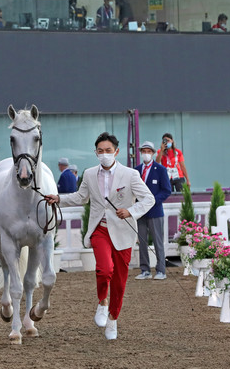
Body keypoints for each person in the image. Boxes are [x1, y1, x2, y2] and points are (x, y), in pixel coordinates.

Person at [46, 132, 154, 340]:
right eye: (100, 151)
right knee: (105, 270)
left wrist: (130, 211)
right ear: (95, 152)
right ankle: (102, 301)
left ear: (116, 152)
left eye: (108, 151)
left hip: (122, 230)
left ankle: (113, 319)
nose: (104, 154)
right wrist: (58, 198)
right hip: (100, 229)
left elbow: (148, 199)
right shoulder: (88, 174)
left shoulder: (130, 174)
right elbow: (81, 197)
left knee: (120, 280)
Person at [133, 141, 172, 280]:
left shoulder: (160, 170)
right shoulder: (136, 170)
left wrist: (153, 201)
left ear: (153, 153)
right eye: (144, 151)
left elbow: (167, 190)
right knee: (142, 241)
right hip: (140, 212)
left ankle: (161, 270)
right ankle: (145, 270)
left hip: (155, 211)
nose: (146, 154)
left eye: (149, 151)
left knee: (158, 241)